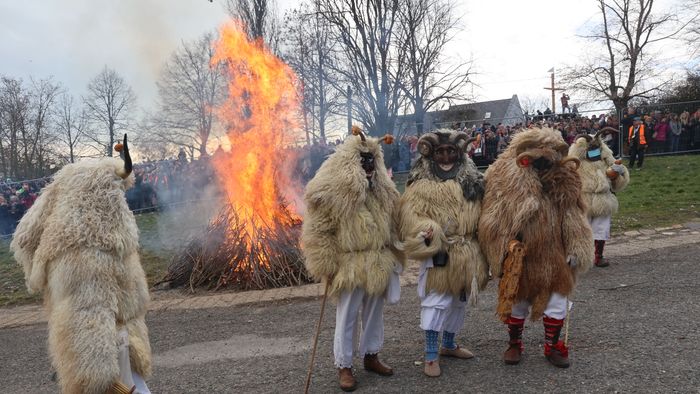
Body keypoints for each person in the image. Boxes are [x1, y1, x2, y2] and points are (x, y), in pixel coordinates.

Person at [10, 135, 152, 393]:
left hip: (115, 342)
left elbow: (25, 239)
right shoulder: (108, 245)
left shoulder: (65, 245)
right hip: (105, 343)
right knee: (109, 377)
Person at [478, 127, 593, 369]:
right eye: (537, 161)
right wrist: (501, 251)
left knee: (557, 300)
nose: (542, 167)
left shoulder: (565, 182)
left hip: (555, 256)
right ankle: (514, 343)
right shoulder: (505, 180)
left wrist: (576, 248)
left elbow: (574, 217)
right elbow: (492, 219)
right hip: (521, 256)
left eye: (548, 161)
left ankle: (552, 346)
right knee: (517, 300)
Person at [301, 127, 403, 392]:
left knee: (374, 312)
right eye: (362, 159)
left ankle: (371, 355)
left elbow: (395, 222)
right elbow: (319, 229)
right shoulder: (334, 192)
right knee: (347, 314)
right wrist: (326, 264)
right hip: (349, 263)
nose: (368, 164)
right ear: (351, 160)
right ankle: (344, 364)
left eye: (372, 159)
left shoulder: (383, 191)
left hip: (378, 260)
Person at [397, 129, 488, 377]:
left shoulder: (474, 182)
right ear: (431, 154)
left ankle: (448, 345)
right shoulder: (420, 186)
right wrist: (427, 231)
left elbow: (485, 215)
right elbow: (409, 217)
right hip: (439, 251)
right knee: (436, 302)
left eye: (451, 151)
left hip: (466, 251)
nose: (446, 157)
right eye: (440, 152)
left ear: (459, 153)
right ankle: (429, 355)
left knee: (459, 301)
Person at [569, 129, 629, 267]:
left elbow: (617, 179)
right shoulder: (576, 163)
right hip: (583, 199)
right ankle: (580, 257)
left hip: (603, 199)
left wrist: (618, 173)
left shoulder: (606, 159)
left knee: (601, 229)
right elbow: (568, 177)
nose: (594, 151)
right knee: (582, 229)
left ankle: (598, 256)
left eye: (596, 147)